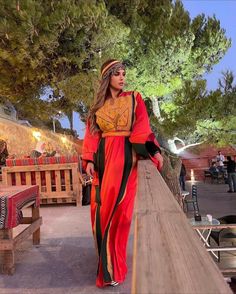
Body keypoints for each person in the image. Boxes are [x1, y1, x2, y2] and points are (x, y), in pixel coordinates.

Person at [82, 59, 163, 288]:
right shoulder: (97, 107)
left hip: (127, 160)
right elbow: (92, 135)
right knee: (103, 212)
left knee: (122, 214)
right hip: (103, 162)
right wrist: (88, 160)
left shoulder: (134, 98)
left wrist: (152, 150)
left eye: (124, 73)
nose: (122, 77)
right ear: (108, 77)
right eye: (117, 74)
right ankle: (107, 266)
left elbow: (142, 128)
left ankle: (114, 268)